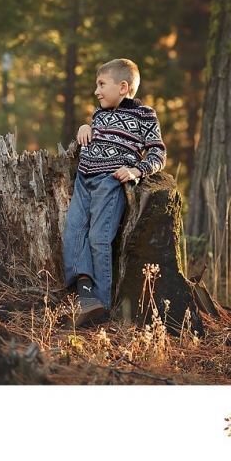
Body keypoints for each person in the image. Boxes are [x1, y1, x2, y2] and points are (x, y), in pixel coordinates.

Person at [61, 58, 167, 328]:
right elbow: (95, 133)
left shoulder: (145, 115)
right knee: (73, 232)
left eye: (101, 84)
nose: (96, 91)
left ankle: (103, 306)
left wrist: (137, 171)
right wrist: (86, 128)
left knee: (99, 237)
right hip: (84, 179)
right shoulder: (100, 113)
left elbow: (158, 152)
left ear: (122, 87)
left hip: (110, 180)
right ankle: (84, 295)